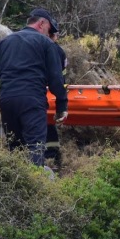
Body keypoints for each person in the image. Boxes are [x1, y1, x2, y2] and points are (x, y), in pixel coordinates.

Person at [0, 8, 68, 166]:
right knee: (35, 147)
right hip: (32, 100)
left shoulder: (5, 42)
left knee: (15, 148)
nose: (50, 34)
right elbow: (56, 79)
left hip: (7, 102)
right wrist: (62, 106)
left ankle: (17, 186)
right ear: (41, 24)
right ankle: (34, 186)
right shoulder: (46, 43)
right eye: (49, 30)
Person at [44, 29, 68, 170]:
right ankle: (52, 157)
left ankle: (50, 157)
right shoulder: (58, 51)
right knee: (48, 127)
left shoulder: (37, 46)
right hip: (52, 94)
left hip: (38, 93)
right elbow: (61, 78)